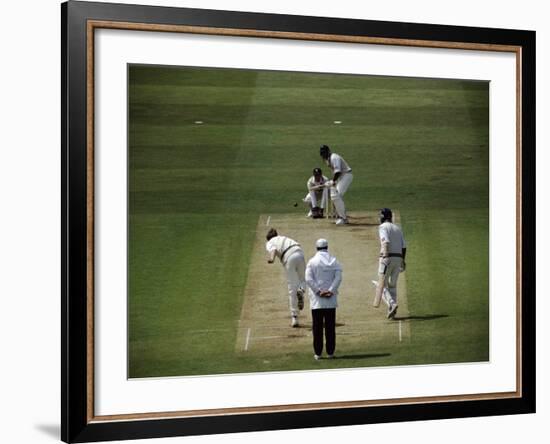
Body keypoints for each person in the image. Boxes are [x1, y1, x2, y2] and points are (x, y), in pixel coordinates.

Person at [305, 238, 343, 360]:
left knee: (317, 327)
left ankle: (318, 353)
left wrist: (318, 291)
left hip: (317, 301)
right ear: (327, 247)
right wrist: (330, 290)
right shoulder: (334, 261)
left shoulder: (312, 262)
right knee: (330, 327)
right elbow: (338, 278)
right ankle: (330, 352)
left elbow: (308, 279)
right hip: (330, 301)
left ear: (317, 248)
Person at [265, 228, 306, 327]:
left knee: (292, 288)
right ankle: (301, 290)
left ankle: (295, 318)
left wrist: (271, 259)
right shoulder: (284, 238)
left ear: (269, 238)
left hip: (288, 257)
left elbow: (273, 250)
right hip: (299, 252)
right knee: (303, 279)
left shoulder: (270, 242)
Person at [373, 208, 407, 319]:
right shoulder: (398, 228)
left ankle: (392, 303)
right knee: (392, 285)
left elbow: (385, 241)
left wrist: (385, 256)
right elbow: (404, 246)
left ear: (383, 216)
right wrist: (403, 261)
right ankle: (392, 312)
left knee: (380, 285)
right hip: (398, 258)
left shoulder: (382, 227)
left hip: (387, 257)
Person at [319, 145, 353, 225]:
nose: (323, 155)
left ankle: (343, 218)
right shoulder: (328, 160)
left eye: (324, 153)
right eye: (322, 153)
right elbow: (335, 172)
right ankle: (342, 216)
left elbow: (338, 171)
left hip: (346, 175)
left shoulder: (334, 157)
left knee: (336, 196)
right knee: (334, 196)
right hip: (341, 177)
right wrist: (333, 181)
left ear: (328, 151)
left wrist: (332, 181)